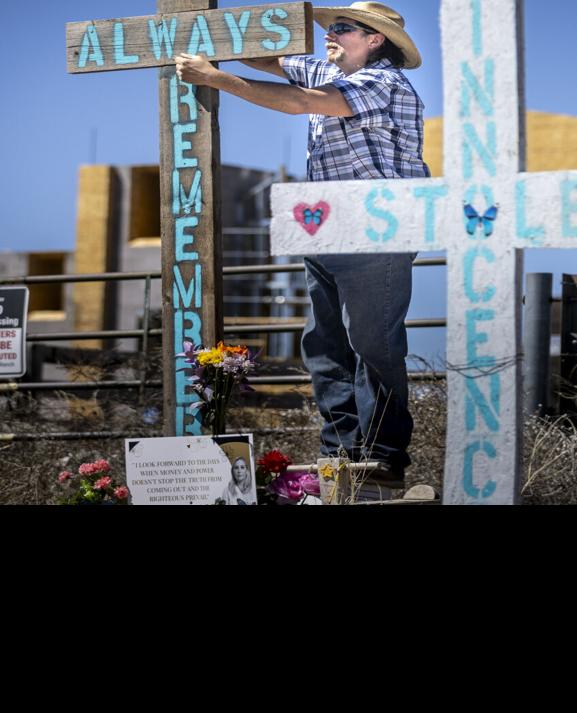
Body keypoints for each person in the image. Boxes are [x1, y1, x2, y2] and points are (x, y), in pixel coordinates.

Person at [174, 2, 426, 488]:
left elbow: (301, 101)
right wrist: (220, 40)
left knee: (372, 342)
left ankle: (382, 455)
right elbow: (271, 64)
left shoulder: (383, 81)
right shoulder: (327, 68)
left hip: (380, 225)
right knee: (325, 343)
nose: (331, 33)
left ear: (375, 40)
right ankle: (341, 450)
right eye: (331, 26)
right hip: (327, 222)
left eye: (344, 28)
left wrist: (214, 77)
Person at [219, 441, 256, 505]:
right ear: (232, 471)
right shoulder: (227, 491)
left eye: (242, 467)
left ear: (246, 470)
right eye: (236, 468)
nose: (239, 471)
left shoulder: (252, 489)